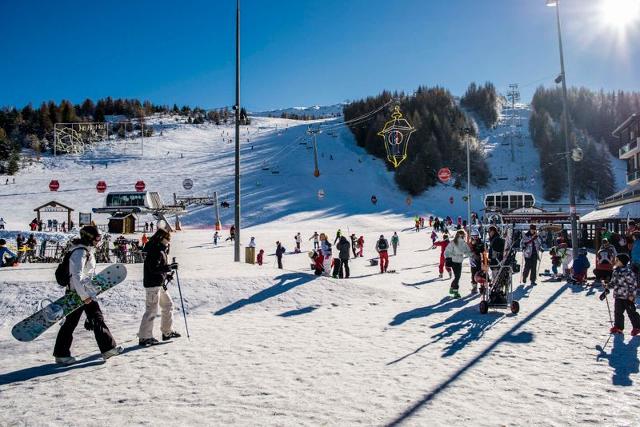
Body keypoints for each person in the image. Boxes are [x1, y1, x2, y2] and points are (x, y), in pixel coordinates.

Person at [53, 226, 123, 364]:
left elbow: (86, 275)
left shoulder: (85, 251)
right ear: (89, 237)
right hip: (79, 293)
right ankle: (107, 348)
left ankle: (62, 354)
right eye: (97, 238)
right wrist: (84, 296)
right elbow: (76, 276)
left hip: (83, 292)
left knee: (86, 320)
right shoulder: (79, 252)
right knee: (92, 319)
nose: (99, 241)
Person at [138, 228, 181, 347]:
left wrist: (166, 275)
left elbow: (159, 267)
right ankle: (145, 337)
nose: (169, 241)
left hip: (159, 283)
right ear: (161, 238)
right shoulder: (155, 250)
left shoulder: (160, 249)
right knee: (151, 310)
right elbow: (153, 268)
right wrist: (168, 268)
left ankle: (167, 332)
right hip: (153, 285)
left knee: (168, 305)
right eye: (168, 238)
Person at [602, 253, 640, 336]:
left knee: (631, 312)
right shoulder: (615, 271)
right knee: (618, 312)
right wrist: (607, 285)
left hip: (627, 297)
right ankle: (618, 327)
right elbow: (613, 283)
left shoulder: (628, 272)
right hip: (618, 296)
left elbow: (633, 284)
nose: (615, 261)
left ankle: (637, 327)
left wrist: (632, 295)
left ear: (622, 262)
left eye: (617, 260)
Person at [444, 229, 472, 298]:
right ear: (459, 235)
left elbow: (467, 251)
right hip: (454, 261)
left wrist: (471, 254)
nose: (463, 236)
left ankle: (452, 288)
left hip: (459, 261)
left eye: (464, 235)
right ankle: (455, 292)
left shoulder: (463, 243)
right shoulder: (453, 242)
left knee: (457, 277)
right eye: (462, 235)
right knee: (457, 276)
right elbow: (446, 252)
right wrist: (449, 257)